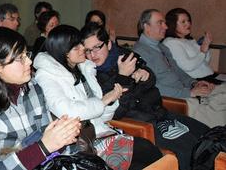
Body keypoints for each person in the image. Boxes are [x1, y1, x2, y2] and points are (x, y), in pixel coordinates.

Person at [82, 23, 209, 170]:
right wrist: (124, 78)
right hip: (141, 122)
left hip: (159, 112)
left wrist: (145, 76)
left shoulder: (124, 56)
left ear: (109, 44)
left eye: (97, 47)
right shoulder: (90, 75)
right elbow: (115, 112)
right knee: (189, 150)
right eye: (87, 50)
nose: (92, 55)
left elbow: (153, 79)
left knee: (206, 135)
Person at [34, 25, 162, 170]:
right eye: (77, 47)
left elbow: (102, 115)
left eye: (81, 45)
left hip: (101, 132)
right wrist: (105, 100)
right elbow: (66, 111)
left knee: (150, 155)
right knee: (148, 153)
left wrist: (111, 99)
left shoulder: (84, 69)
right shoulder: (46, 76)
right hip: (80, 145)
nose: (83, 49)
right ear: (64, 53)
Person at [0, 27, 81, 169]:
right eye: (20, 58)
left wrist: (63, 135)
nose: (29, 62)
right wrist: (44, 147)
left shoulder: (33, 87)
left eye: (27, 54)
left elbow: (45, 137)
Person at [133, 9, 226, 127]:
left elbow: (178, 71)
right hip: (178, 101)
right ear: (146, 27)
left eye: (165, 23)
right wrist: (189, 92)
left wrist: (194, 83)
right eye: (160, 23)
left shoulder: (162, 47)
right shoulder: (139, 53)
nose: (166, 27)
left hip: (187, 92)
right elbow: (152, 88)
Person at [163, 8, 219, 82]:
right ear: (173, 25)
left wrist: (206, 46)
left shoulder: (190, 40)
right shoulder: (171, 42)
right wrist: (202, 52)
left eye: (188, 21)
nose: (188, 24)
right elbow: (188, 66)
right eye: (183, 22)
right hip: (196, 81)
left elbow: (205, 62)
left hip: (210, 76)